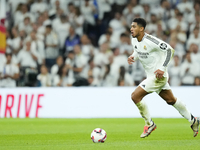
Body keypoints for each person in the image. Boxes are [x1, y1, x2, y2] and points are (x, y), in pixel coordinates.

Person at [127, 18, 199, 138]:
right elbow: (138, 50)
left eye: (134, 26)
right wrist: (133, 57)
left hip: (158, 76)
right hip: (151, 76)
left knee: (135, 96)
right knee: (171, 100)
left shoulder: (151, 40)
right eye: (131, 26)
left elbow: (170, 50)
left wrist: (162, 68)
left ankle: (149, 124)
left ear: (141, 28)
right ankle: (193, 120)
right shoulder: (134, 40)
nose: (131, 29)